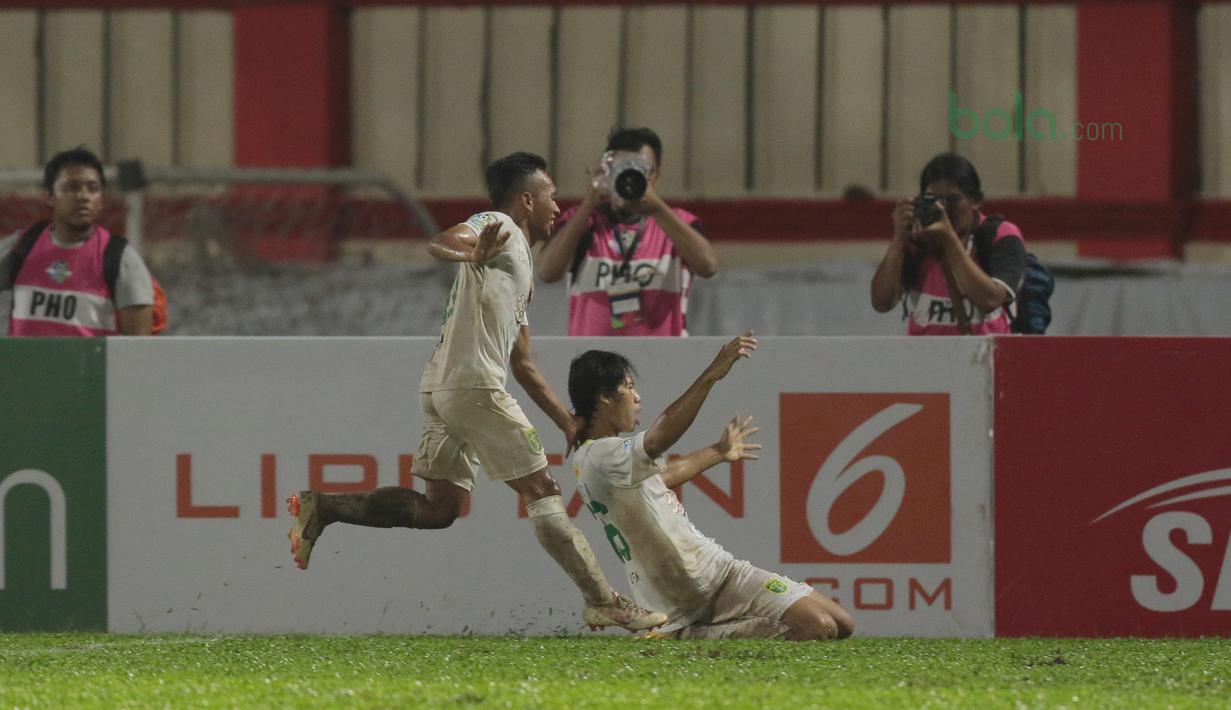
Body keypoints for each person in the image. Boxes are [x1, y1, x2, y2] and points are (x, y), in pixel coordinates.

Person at [287, 152, 667, 633]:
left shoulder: (519, 266)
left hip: (442, 387)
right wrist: (467, 252)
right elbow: (443, 240)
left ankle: (324, 506)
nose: (557, 205)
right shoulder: (501, 227)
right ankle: (604, 601)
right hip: (474, 386)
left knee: (439, 510)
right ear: (527, 199)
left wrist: (566, 421)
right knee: (542, 489)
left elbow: (523, 362)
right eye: (551, 195)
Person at [568, 333, 854, 640]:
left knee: (842, 623)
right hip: (681, 599)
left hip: (719, 572)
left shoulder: (603, 458)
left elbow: (661, 478)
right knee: (817, 627)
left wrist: (718, 452)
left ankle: (690, 635)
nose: (637, 398)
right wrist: (711, 375)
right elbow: (657, 440)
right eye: (629, 387)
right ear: (604, 398)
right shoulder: (598, 454)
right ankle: (681, 637)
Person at [538, 127, 717, 336]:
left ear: (656, 175)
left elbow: (708, 266)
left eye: (641, 169)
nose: (630, 177)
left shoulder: (680, 221)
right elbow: (547, 272)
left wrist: (656, 208)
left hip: (665, 358)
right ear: (608, 171)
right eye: (622, 169)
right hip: (592, 362)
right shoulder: (583, 220)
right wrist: (589, 202)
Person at [0, 147, 154, 335]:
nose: (83, 196)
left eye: (92, 188)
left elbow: (137, 348)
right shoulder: (21, 246)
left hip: (89, 366)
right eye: (72, 187)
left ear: (101, 200)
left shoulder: (121, 259)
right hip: (26, 366)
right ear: (49, 196)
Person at [870, 152, 1027, 335]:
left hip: (985, 357)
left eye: (952, 200)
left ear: (975, 201)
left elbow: (989, 300)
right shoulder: (918, 241)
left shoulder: (999, 235)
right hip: (925, 357)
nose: (943, 208)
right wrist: (898, 238)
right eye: (934, 200)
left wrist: (949, 240)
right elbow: (881, 303)